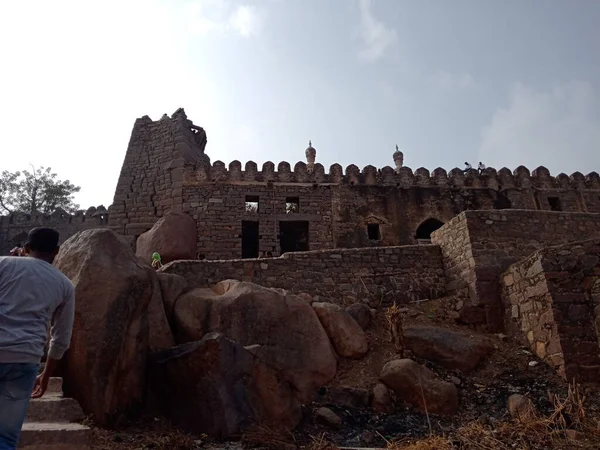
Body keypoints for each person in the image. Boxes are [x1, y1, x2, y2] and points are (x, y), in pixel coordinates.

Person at [0, 227, 75, 449]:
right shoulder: (64, 284)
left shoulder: (3, 264)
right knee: (5, 437)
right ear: (57, 251)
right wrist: (46, 374)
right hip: (24, 360)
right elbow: (61, 337)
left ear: (25, 249)